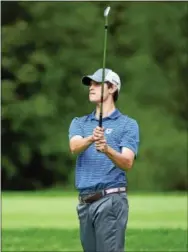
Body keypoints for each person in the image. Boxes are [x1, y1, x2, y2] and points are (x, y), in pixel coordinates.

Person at [68, 68, 140, 252]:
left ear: (112, 88)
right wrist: (92, 139)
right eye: (90, 84)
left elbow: (127, 162)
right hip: (85, 203)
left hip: (110, 200)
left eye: (97, 83)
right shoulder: (79, 122)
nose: (91, 87)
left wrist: (107, 149)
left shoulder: (128, 124)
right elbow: (74, 147)